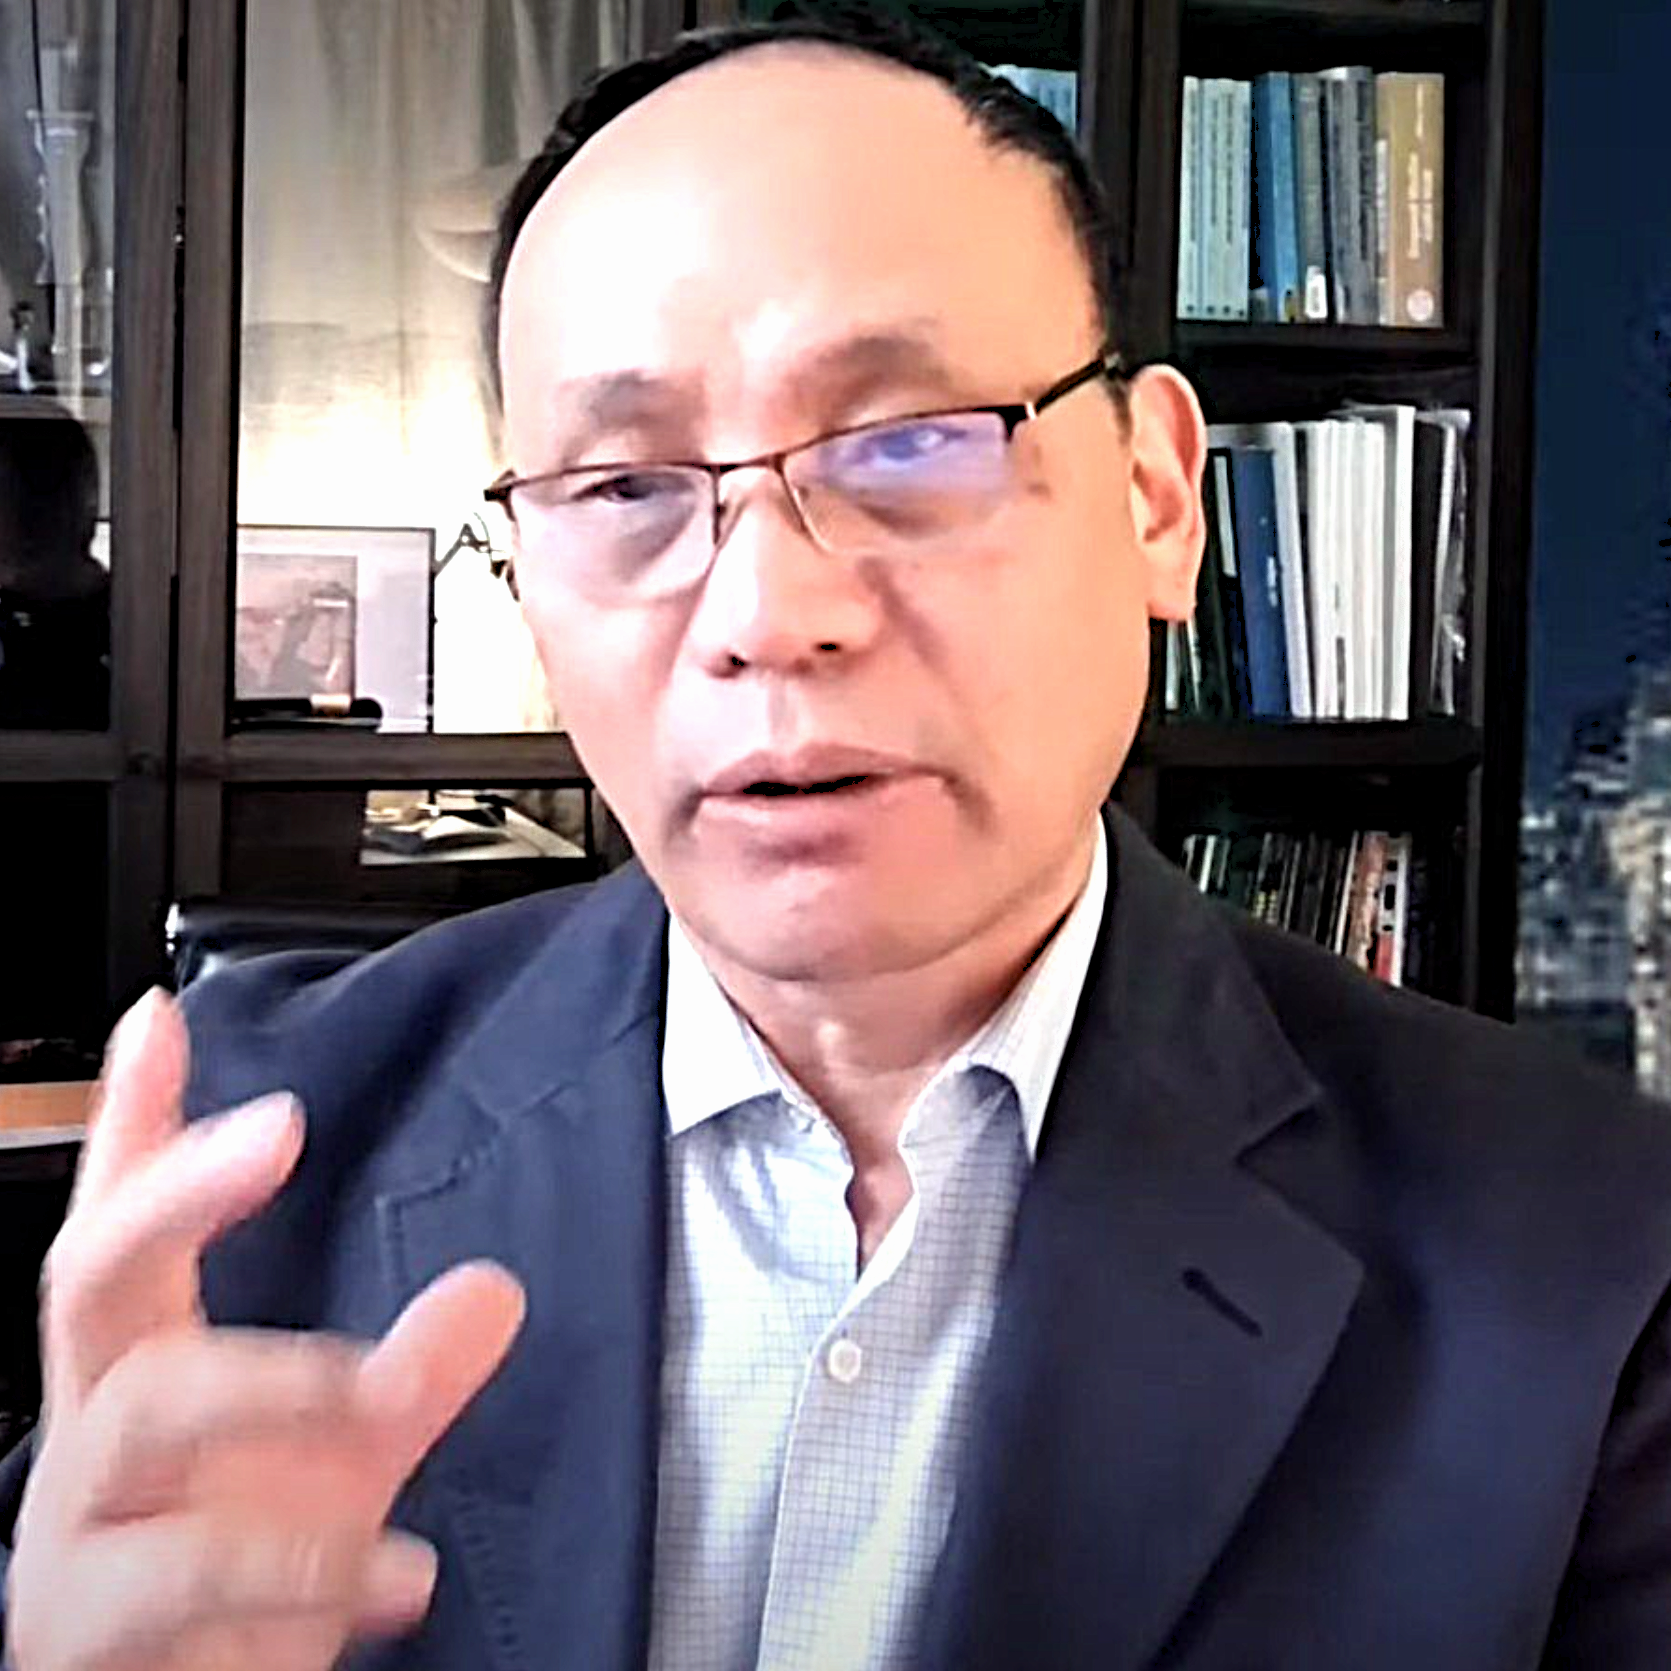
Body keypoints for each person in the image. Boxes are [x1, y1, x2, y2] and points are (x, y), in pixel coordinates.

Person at [4, 11, 1671, 1669]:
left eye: (908, 444)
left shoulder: (1587, 1251)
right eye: (622, 487)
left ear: (1157, 498)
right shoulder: (241, 1166)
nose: (764, 611)